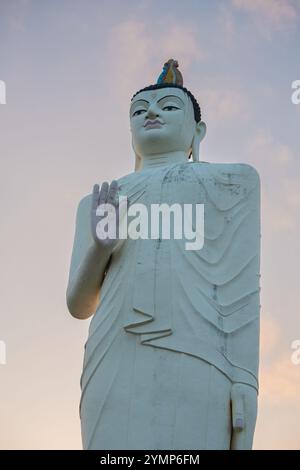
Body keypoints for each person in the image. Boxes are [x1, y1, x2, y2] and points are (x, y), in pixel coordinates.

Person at [66, 59, 260, 450]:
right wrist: (102, 247)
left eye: (169, 106)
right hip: (114, 348)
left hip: (200, 348)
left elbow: (242, 290)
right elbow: (79, 304)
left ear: (197, 131)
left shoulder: (233, 181)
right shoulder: (101, 198)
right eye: (139, 111)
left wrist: (245, 378)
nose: (151, 113)